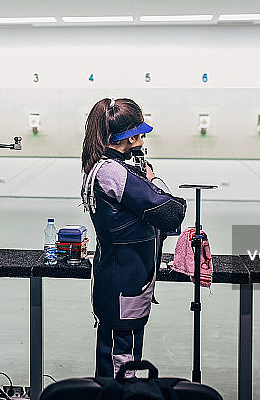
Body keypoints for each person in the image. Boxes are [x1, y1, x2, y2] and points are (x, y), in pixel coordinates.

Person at [80, 98, 186, 378]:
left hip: (124, 280)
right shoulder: (112, 172)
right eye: (140, 135)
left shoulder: (105, 167)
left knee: (121, 359)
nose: (141, 141)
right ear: (131, 137)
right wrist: (152, 180)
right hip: (123, 284)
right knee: (121, 367)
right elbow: (171, 214)